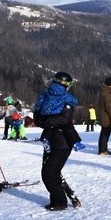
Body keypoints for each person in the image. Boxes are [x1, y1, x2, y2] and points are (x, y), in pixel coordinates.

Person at [34, 72, 79, 210]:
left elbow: (38, 119)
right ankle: (58, 201)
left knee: (49, 173)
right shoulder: (68, 99)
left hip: (53, 139)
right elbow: (64, 119)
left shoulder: (44, 95)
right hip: (61, 140)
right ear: (65, 84)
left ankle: (59, 201)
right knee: (50, 173)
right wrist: (51, 122)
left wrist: (46, 121)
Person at [97, 77, 111, 155]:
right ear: (110, 85)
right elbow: (109, 108)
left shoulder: (103, 92)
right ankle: (103, 149)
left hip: (103, 116)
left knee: (103, 133)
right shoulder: (107, 94)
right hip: (106, 118)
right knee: (105, 133)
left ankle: (102, 148)